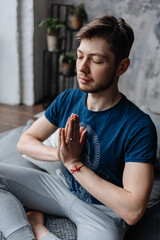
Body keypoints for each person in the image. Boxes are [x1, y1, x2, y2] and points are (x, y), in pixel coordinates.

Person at [0, 14, 157, 240]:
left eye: (96, 60)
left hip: (103, 211)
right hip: (59, 189)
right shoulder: (68, 99)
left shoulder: (138, 126)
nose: (82, 68)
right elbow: (25, 142)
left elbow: (133, 211)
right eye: (80, 56)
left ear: (121, 67)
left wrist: (74, 163)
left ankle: (39, 229)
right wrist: (61, 154)